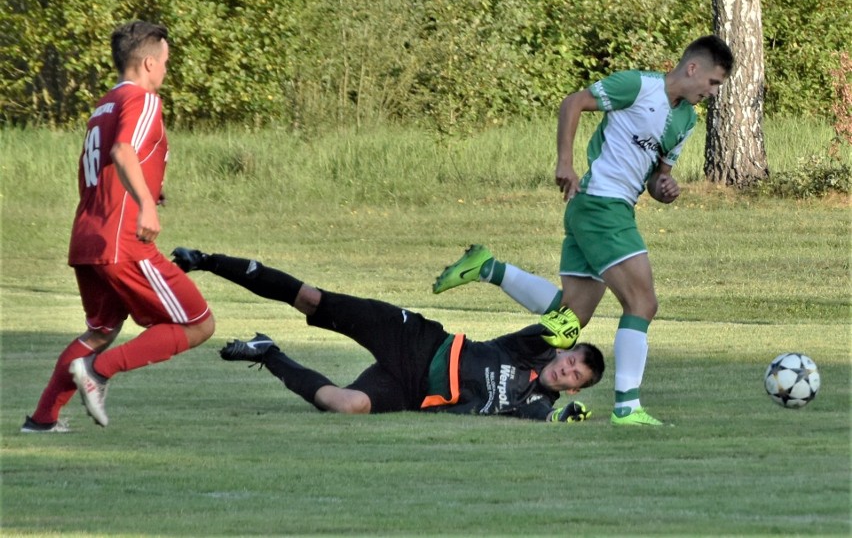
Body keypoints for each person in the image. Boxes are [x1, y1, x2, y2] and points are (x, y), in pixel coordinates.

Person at [433, 36, 735, 426]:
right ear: (693, 68)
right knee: (642, 304)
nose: (712, 93)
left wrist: (666, 190)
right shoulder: (638, 85)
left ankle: (488, 267)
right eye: (712, 83)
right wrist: (566, 162)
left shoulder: (686, 120)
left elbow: (659, 181)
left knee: (572, 314)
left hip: (607, 208)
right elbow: (573, 102)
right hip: (601, 206)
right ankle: (627, 409)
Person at [21, 21, 215, 433]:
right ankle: (97, 372)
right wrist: (145, 203)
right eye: (165, 61)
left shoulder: (103, 105)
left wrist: (147, 189)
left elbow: (107, 168)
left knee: (101, 329)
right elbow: (123, 149)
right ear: (148, 62)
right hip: (122, 239)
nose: (166, 69)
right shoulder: (144, 100)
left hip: (87, 236)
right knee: (198, 323)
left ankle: (41, 420)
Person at [171, 248, 605, 422]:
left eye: (574, 377)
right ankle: (208, 261)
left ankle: (267, 353)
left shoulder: (536, 405)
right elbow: (556, 325)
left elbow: (549, 421)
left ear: (573, 390)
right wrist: (565, 326)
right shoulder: (530, 351)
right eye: (569, 360)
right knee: (310, 298)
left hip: (412, 389)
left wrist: (566, 420)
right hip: (417, 341)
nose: (565, 370)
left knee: (346, 405)